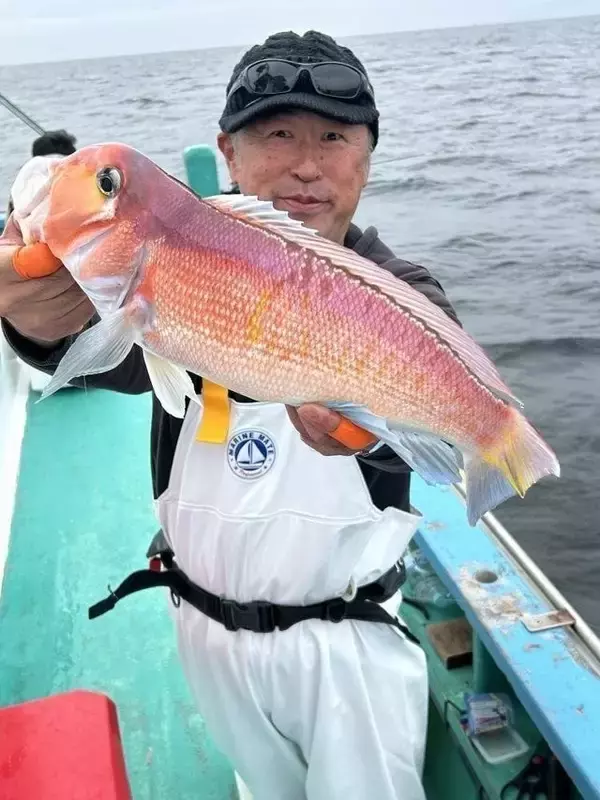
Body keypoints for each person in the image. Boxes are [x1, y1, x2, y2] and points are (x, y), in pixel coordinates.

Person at [0, 30, 460, 800]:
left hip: (345, 650)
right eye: (277, 133)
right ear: (229, 152)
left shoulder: (401, 292)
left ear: (368, 158)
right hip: (203, 632)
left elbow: (425, 404)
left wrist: (368, 430)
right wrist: (32, 314)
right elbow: (81, 346)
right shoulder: (169, 256)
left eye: (335, 137)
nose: (306, 164)